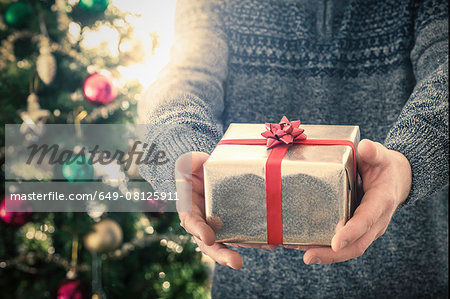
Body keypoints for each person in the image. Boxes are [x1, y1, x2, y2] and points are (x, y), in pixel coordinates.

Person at [138, 0, 448, 297]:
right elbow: (184, 77)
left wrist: (410, 159)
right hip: (251, 283)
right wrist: (179, 146)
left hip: (410, 274)